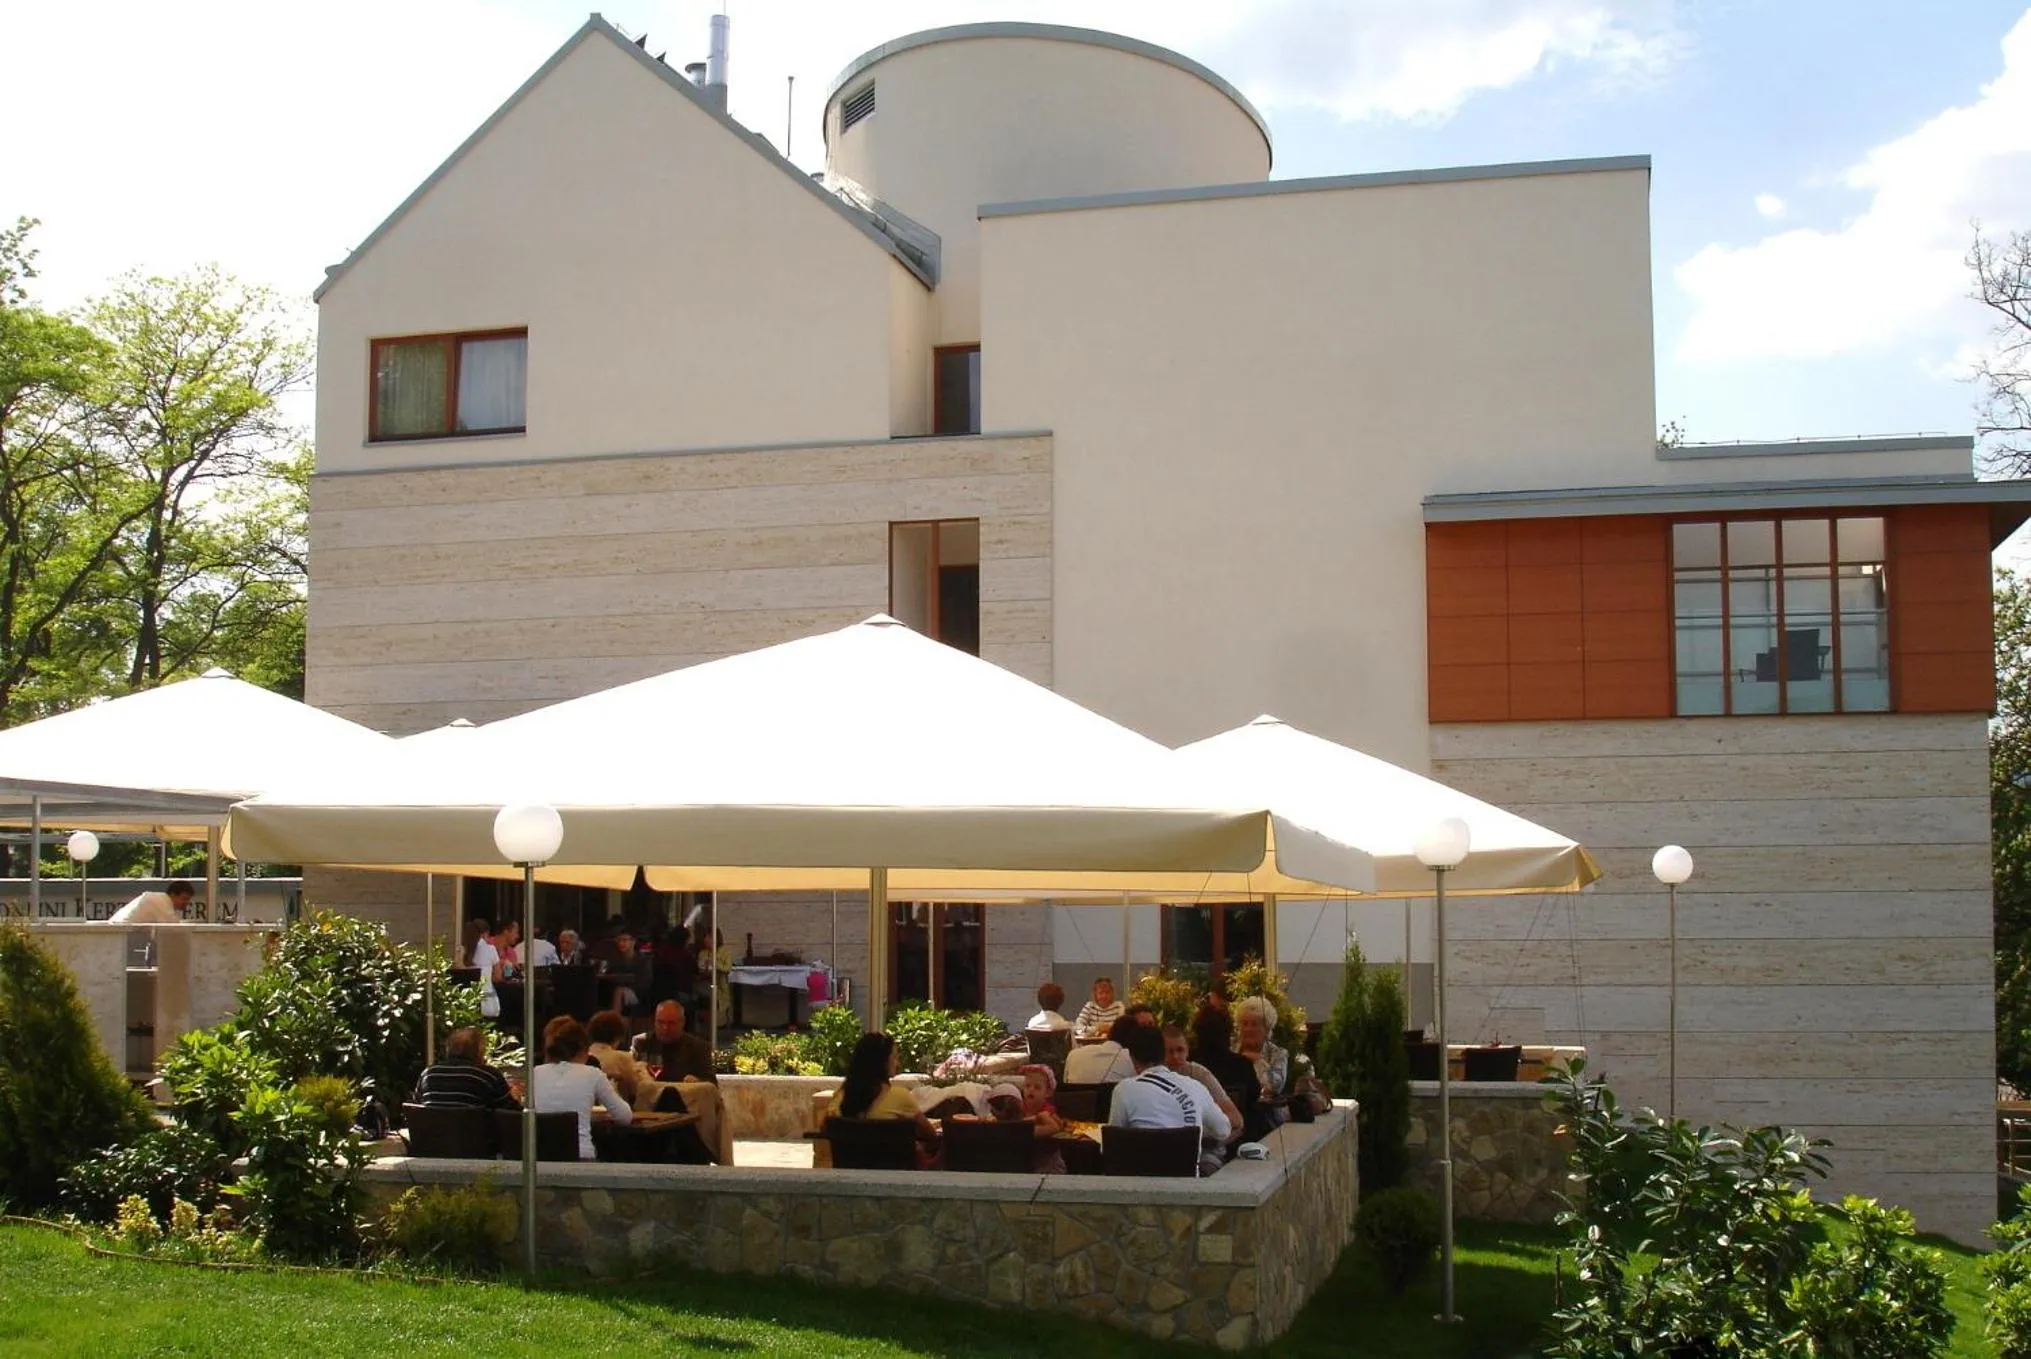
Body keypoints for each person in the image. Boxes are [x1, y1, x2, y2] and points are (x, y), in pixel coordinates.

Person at [1109, 1023, 1230, 1160]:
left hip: (1139, 1175)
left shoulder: (1124, 1089)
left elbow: (1113, 1142)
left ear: (1132, 1057)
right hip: (1186, 1176)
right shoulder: (1195, 1086)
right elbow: (1223, 1130)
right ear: (1163, 1053)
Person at [531, 1015, 631, 1159]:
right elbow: (624, 1116)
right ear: (584, 1050)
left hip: (540, 1159)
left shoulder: (536, 1072)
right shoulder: (592, 1073)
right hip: (580, 1157)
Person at [826, 1033, 938, 1147]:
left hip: (847, 1164)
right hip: (894, 1164)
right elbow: (930, 1135)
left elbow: (823, 1129)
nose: (897, 1063)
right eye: (894, 1057)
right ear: (882, 1062)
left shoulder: (839, 1098)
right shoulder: (900, 1097)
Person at [1190, 1002, 1265, 1140]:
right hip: (1238, 1140)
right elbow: (1254, 1096)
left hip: (1197, 1137)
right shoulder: (1243, 1065)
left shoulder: (1188, 1065)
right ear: (1228, 1033)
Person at [1163, 1024, 1242, 1149]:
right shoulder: (1153, 1075)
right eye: (1169, 1051)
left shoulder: (1199, 1074)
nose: (1175, 1056)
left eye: (1180, 1050)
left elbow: (1236, 1119)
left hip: (1205, 1148)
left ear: (1187, 1050)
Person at [413, 1026, 520, 1111]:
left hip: (431, 1137)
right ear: (479, 1051)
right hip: (473, 1137)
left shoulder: (429, 1073)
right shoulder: (487, 1075)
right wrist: (515, 1096)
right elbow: (510, 1112)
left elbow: (416, 1106)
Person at [1236, 995, 1292, 1131]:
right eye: (1244, 1024)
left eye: (1255, 1024)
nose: (1248, 1029)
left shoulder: (1278, 1054)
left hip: (1266, 1119)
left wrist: (1258, 1060)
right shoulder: (1231, 1050)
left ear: (1267, 1029)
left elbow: (1274, 1086)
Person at [631, 1000, 716, 1084]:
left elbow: (712, 1085)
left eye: (671, 1023)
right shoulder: (641, 1043)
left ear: (682, 1023)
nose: (665, 1028)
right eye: (660, 1022)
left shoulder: (698, 1047)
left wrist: (697, 1082)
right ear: (654, 1021)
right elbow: (629, 1076)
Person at [585, 1009, 643, 1104]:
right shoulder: (623, 1058)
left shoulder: (579, 1057)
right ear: (618, 1036)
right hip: (615, 1112)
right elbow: (638, 1090)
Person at [1064, 1013, 1139, 1084]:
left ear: (1110, 1032)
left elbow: (1065, 1084)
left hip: (1076, 1097)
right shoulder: (1132, 1060)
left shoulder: (1074, 1054)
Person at [109, 880, 193, 924]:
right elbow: (174, 928)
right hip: (118, 935)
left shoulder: (160, 899)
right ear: (173, 894)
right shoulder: (161, 902)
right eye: (184, 898)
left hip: (120, 932)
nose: (187, 903)